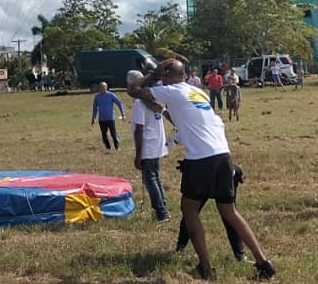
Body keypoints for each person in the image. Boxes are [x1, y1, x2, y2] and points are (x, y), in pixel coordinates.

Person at [129, 60, 275, 281]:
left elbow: (133, 90)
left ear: (166, 76)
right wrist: (171, 125)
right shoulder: (198, 92)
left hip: (201, 160)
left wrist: (153, 74)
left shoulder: (168, 90)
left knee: (189, 211)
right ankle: (263, 262)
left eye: (163, 76)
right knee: (230, 212)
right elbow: (192, 122)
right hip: (223, 155)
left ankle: (206, 268)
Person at [128, 71, 169, 221]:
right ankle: (162, 207)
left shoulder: (140, 103)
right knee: (155, 177)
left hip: (148, 145)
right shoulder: (154, 98)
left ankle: (161, 212)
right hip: (156, 143)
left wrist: (138, 155)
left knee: (150, 179)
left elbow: (139, 130)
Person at [91, 82, 125, 150]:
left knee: (113, 133)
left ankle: (117, 147)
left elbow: (119, 103)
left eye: (103, 87)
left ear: (106, 87)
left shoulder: (111, 95)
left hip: (110, 118)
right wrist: (93, 118)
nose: (102, 89)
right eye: (100, 87)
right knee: (104, 135)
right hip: (102, 119)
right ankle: (108, 147)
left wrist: (123, 114)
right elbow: (95, 108)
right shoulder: (97, 97)